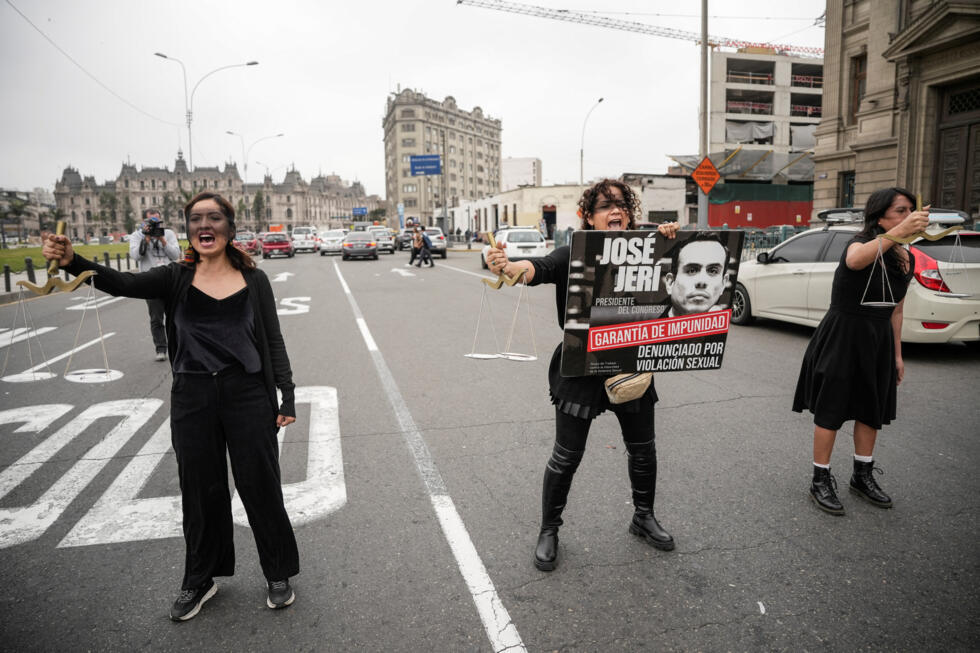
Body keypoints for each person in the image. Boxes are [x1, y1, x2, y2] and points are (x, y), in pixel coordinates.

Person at [43, 191, 300, 620]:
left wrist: (286, 394)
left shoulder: (254, 280)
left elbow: (273, 339)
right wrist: (73, 261)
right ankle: (200, 579)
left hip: (247, 394)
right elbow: (121, 283)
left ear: (229, 227)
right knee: (200, 491)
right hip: (193, 397)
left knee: (261, 486)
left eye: (214, 217)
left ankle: (278, 572)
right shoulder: (174, 277)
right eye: (196, 218)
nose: (205, 225)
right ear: (187, 229)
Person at [486, 179, 679, 571]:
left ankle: (643, 516)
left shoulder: (651, 248)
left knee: (643, 449)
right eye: (605, 205)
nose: (616, 210)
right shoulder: (572, 252)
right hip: (580, 362)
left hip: (631, 362)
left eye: (622, 204)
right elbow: (536, 268)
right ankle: (549, 530)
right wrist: (507, 266)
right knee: (566, 456)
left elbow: (685, 274)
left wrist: (672, 240)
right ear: (589, 217)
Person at [792, 187, 928, 515]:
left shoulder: (906, 257)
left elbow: (896, 310)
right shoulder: (859, 244)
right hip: (843, 335)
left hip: (878, 339)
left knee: (871, 409)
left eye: (912, 210)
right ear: (879, 217)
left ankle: (862, 476)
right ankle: (820, 480)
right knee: (832, 410)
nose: (909, 215)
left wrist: (897, 355)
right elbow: (855, 261)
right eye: (901, 210)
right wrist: (898, 233)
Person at [128, 209, 180, 361]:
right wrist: (146, 238)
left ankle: (177, 347)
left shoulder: (168, 234)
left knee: (175, 317)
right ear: (143, 222)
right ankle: (161, 349)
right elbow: (136, 256)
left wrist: (163, 240)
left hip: (170, 280)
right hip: (150, 282)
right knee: (156, 319)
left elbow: (175, 255)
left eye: (157, 222)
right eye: (151, 222)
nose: (154, 225)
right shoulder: (137, 235)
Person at [663, 233, 731, 317]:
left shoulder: (720, 322)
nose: (702, 281)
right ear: (670, 283)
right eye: (691, 271)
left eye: (713, 271)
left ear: (723, 284)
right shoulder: (648, 321)